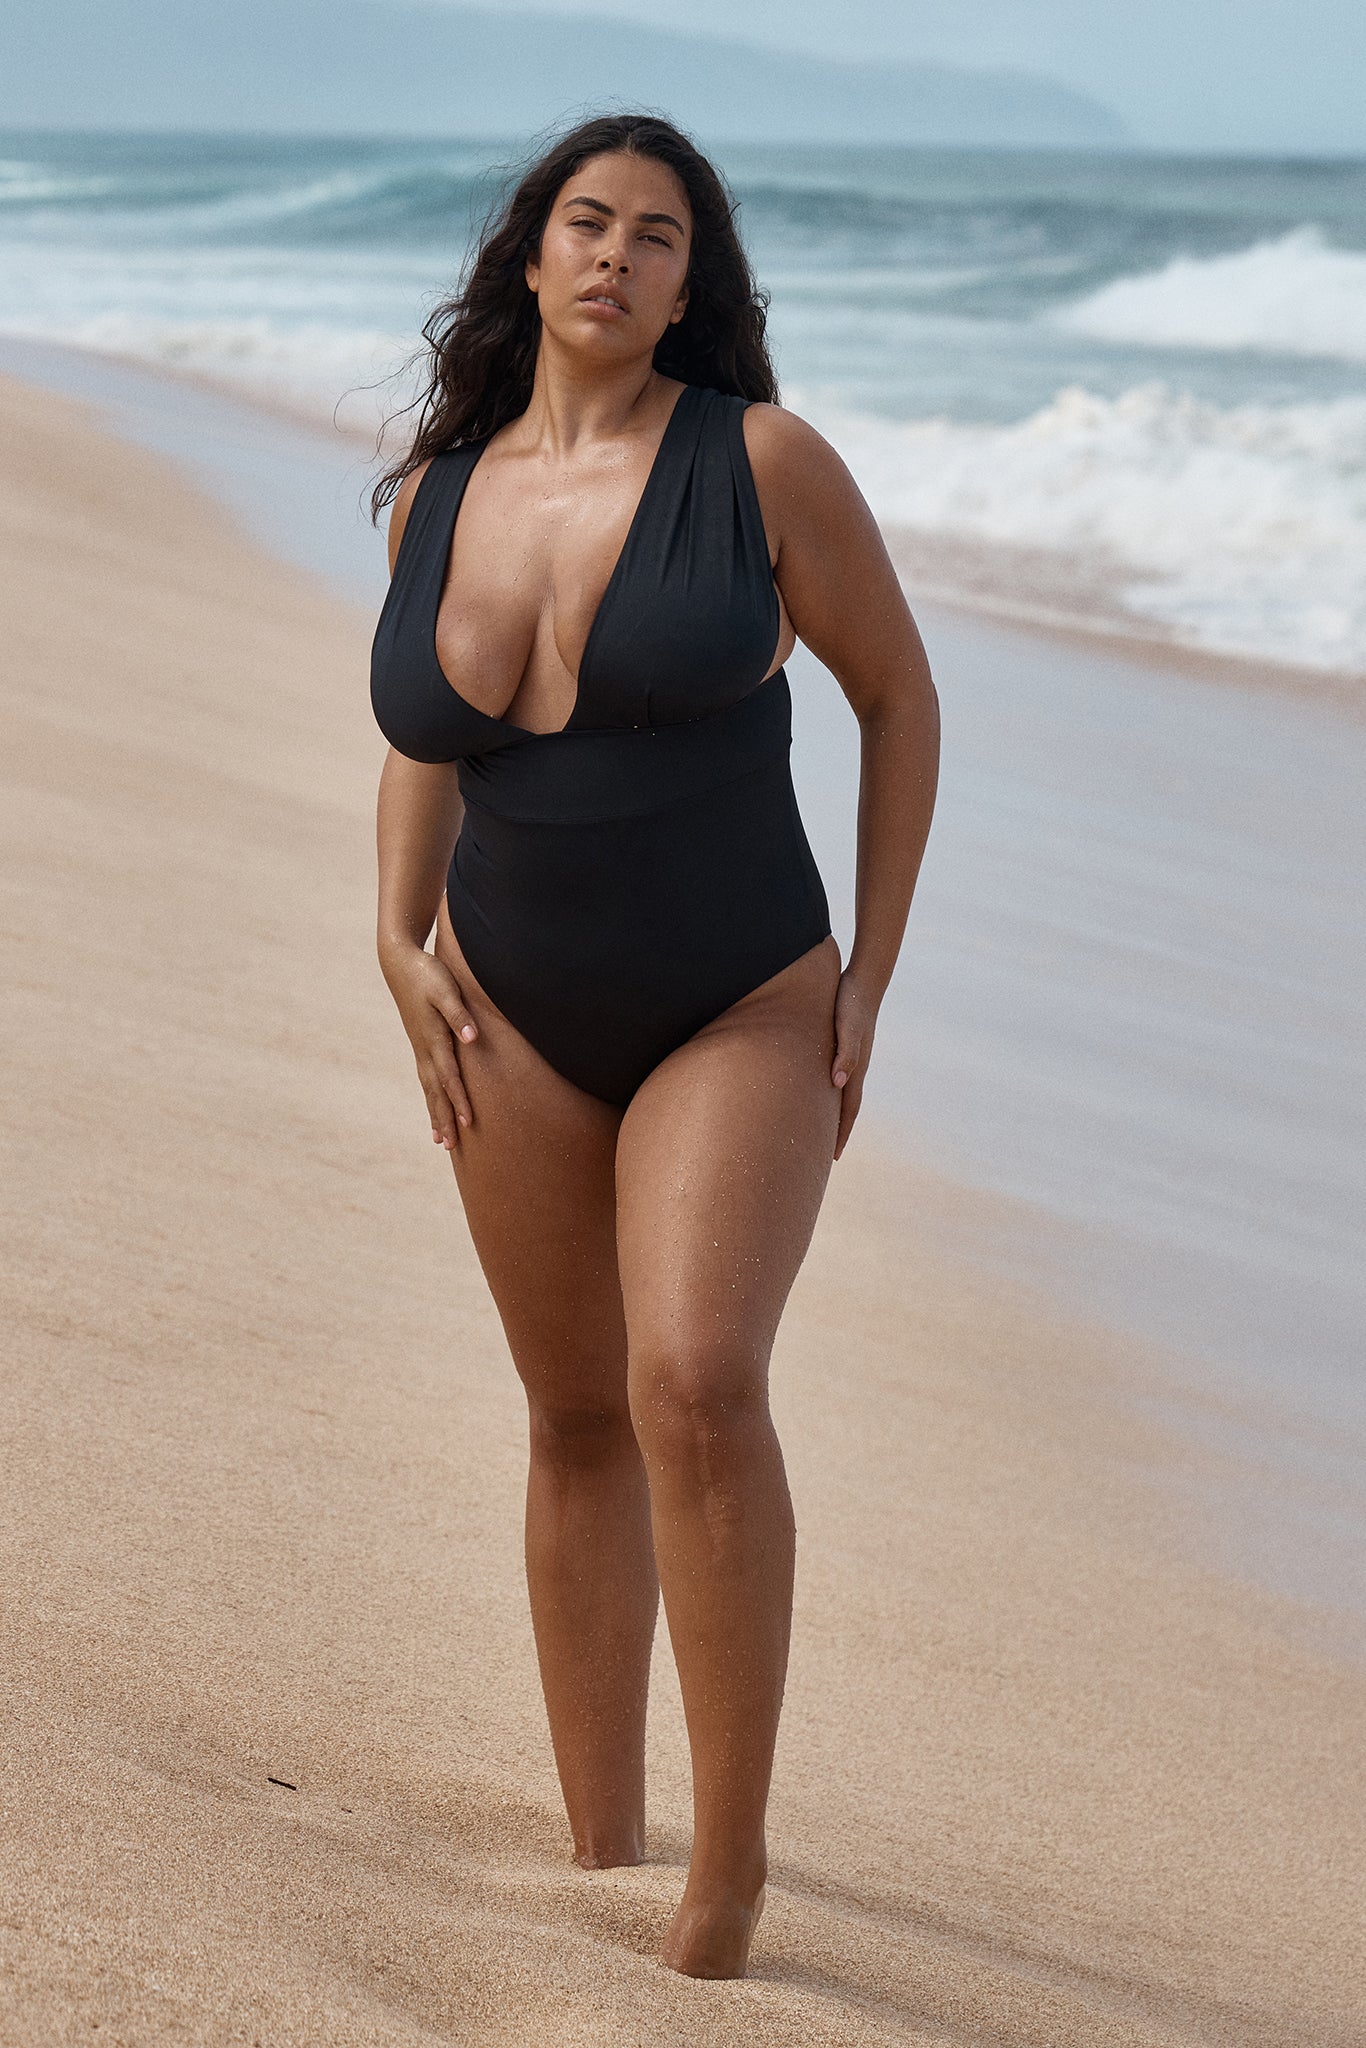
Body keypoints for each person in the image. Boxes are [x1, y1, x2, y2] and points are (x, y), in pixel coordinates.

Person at [368, 112, 939, 1980]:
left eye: (661, 238)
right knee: (571, 1413)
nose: (616, 258)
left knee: (694, 1380)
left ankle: (729, 1872)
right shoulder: (437, 491)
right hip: (514, 1007)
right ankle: (599, 1843)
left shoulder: (760, 461)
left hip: (738, 999)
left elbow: (896, 692)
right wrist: (393, 932)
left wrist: (867, 979)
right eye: (586, 223)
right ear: (529, 255)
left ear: (698, 286)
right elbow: (424, 735)